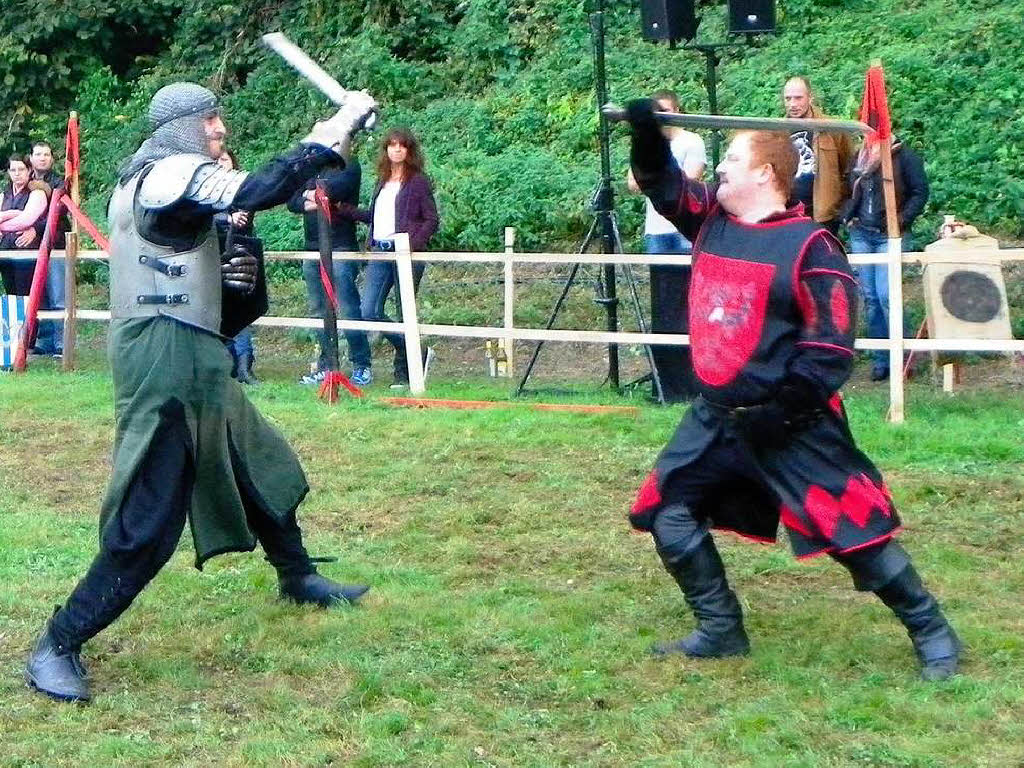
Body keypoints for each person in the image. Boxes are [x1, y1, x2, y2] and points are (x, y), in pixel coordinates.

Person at [25, 82, 378, 704]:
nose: (220, 128)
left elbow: (225, 304)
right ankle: (59, 641)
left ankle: (296, 575)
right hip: (163, 357)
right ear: (182, 124)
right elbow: (258, 189)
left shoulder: (172, 188)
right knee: (150, 515)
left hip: (193, 350)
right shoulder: (166, 176)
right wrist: (336, 125)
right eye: (210, 118)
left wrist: (244, 276)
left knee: (261, 462)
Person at [623, 99, 960, 681]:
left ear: (766, 173)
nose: (719, 169)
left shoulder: (813, 247)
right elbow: (661, 181)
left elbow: (829, 351)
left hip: (794, 424)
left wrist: (779, 412)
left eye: (731, 158)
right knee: (666, 511)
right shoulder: (711, 222)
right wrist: (648, 135)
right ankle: (721, 629)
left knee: (854, 532)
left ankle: (932, 632)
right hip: (716, 418)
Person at [335, 127, 439, 388]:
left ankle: (404, 372)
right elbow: (375, 216)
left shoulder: (418, 181)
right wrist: (342, 211)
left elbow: (431, 219)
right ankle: (415, 352)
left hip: (405, 253)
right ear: (386, 150)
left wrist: (412, 244)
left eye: (401, 145)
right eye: (392, 145)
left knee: (405, 312)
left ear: (409, 150)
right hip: (380, 251)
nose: (396, 149)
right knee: (369, 310)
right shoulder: (381, 180)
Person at [626, 89, 706, 402]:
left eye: (668, 110)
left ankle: (691, 379)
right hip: (656, 231)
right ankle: (667, 382)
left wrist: (657, 177)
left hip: (683, 230)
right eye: (658, 112)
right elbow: (634, 183)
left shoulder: (691, 141)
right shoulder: (649, 145)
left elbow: (685, 184)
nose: (664, 117)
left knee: (688, 303)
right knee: (662, 305)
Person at [839, 135, 929, 381]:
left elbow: (920, 192)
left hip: (890, 234)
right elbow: (847, 189)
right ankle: (881, 359)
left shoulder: (904, 157)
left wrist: (900, 220)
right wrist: (848, 214)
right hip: (861, 234)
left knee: (888, 295)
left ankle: (902, 357)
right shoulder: (859, 156)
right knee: (870, 298)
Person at [287, 149, 370, 386]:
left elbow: (335, 191)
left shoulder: (349, 164)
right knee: (317, 309)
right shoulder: (309, 165)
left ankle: (361, 365)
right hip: (312, 247)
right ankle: (326, 366)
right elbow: (291, 200)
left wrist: (310, 195)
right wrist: (316, 200)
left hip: (341, 246)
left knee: (348, 308)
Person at [782, 77, 853, 235]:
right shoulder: (777, 130)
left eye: (798, 98)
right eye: (788, 98)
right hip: (787, 211)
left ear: (810, 97)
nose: (793, 104)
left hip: (823, 214)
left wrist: (840, 204)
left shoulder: (831, 128)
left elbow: (848, 167)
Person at [214, 148, 258, 384]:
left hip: (239, 254)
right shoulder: (205, 189)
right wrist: (225, 219)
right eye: (218, 159)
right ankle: (226, 364)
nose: (222, 162)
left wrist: (237, 217)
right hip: (212, 255)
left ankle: (244, 365)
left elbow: (246, 216)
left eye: (225, 158)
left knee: (239, 313)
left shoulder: (242, 187)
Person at [29, 141, 70, 356]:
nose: (42, 158)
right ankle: (43, 342)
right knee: (40, 295)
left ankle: (61, 343)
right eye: (38, 154)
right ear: (32, 158)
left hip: (56, 246)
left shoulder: (60, 184)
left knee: (58, 295)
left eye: (46, 154)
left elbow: (57, 214)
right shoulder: (23, 181)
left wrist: (34, 228)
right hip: (31, 249)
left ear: (52, 159)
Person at [0, 155, 45, 297]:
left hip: (27, 250)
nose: (17, 173)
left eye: (21, 169)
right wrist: (14, 213)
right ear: (8, 172)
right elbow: (22, 217)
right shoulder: (3, 195)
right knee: (10, 293)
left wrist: (2, 221)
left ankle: (29, 320)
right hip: (5, 250)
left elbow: (26, 219)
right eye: (13, 170)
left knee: (25, 293)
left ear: (29, 170)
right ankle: (13, 320)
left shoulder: (37, 192)